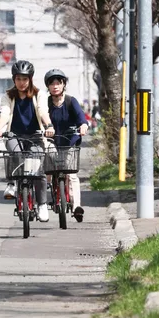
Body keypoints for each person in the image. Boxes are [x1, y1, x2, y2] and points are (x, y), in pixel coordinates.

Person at [0, 59, 52, 221]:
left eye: (25, 79)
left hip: (35, 136)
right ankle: (12, 184)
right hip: (14, 135)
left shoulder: (39, 94)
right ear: (14, 79)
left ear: (30, 79)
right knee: (15, 153)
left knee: (38, 170)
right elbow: (4, 114)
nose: (21, 82)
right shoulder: (8, 96)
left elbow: (42, 111)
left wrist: (49, 126)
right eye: (18, 79)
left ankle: (41, 205)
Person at [45, 69, 88, 223]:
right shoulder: (45, 103)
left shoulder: (71, 101)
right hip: (51, 142)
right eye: (52, 83)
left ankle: (77, 206)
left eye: (59, 83)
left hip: (70, 141)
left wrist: (83, 126)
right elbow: (38, 119)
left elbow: (81, 118)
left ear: (64, 85)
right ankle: (46, 195)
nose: (55, 86)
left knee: (72, 174)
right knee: (47, 171)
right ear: (48, 87)